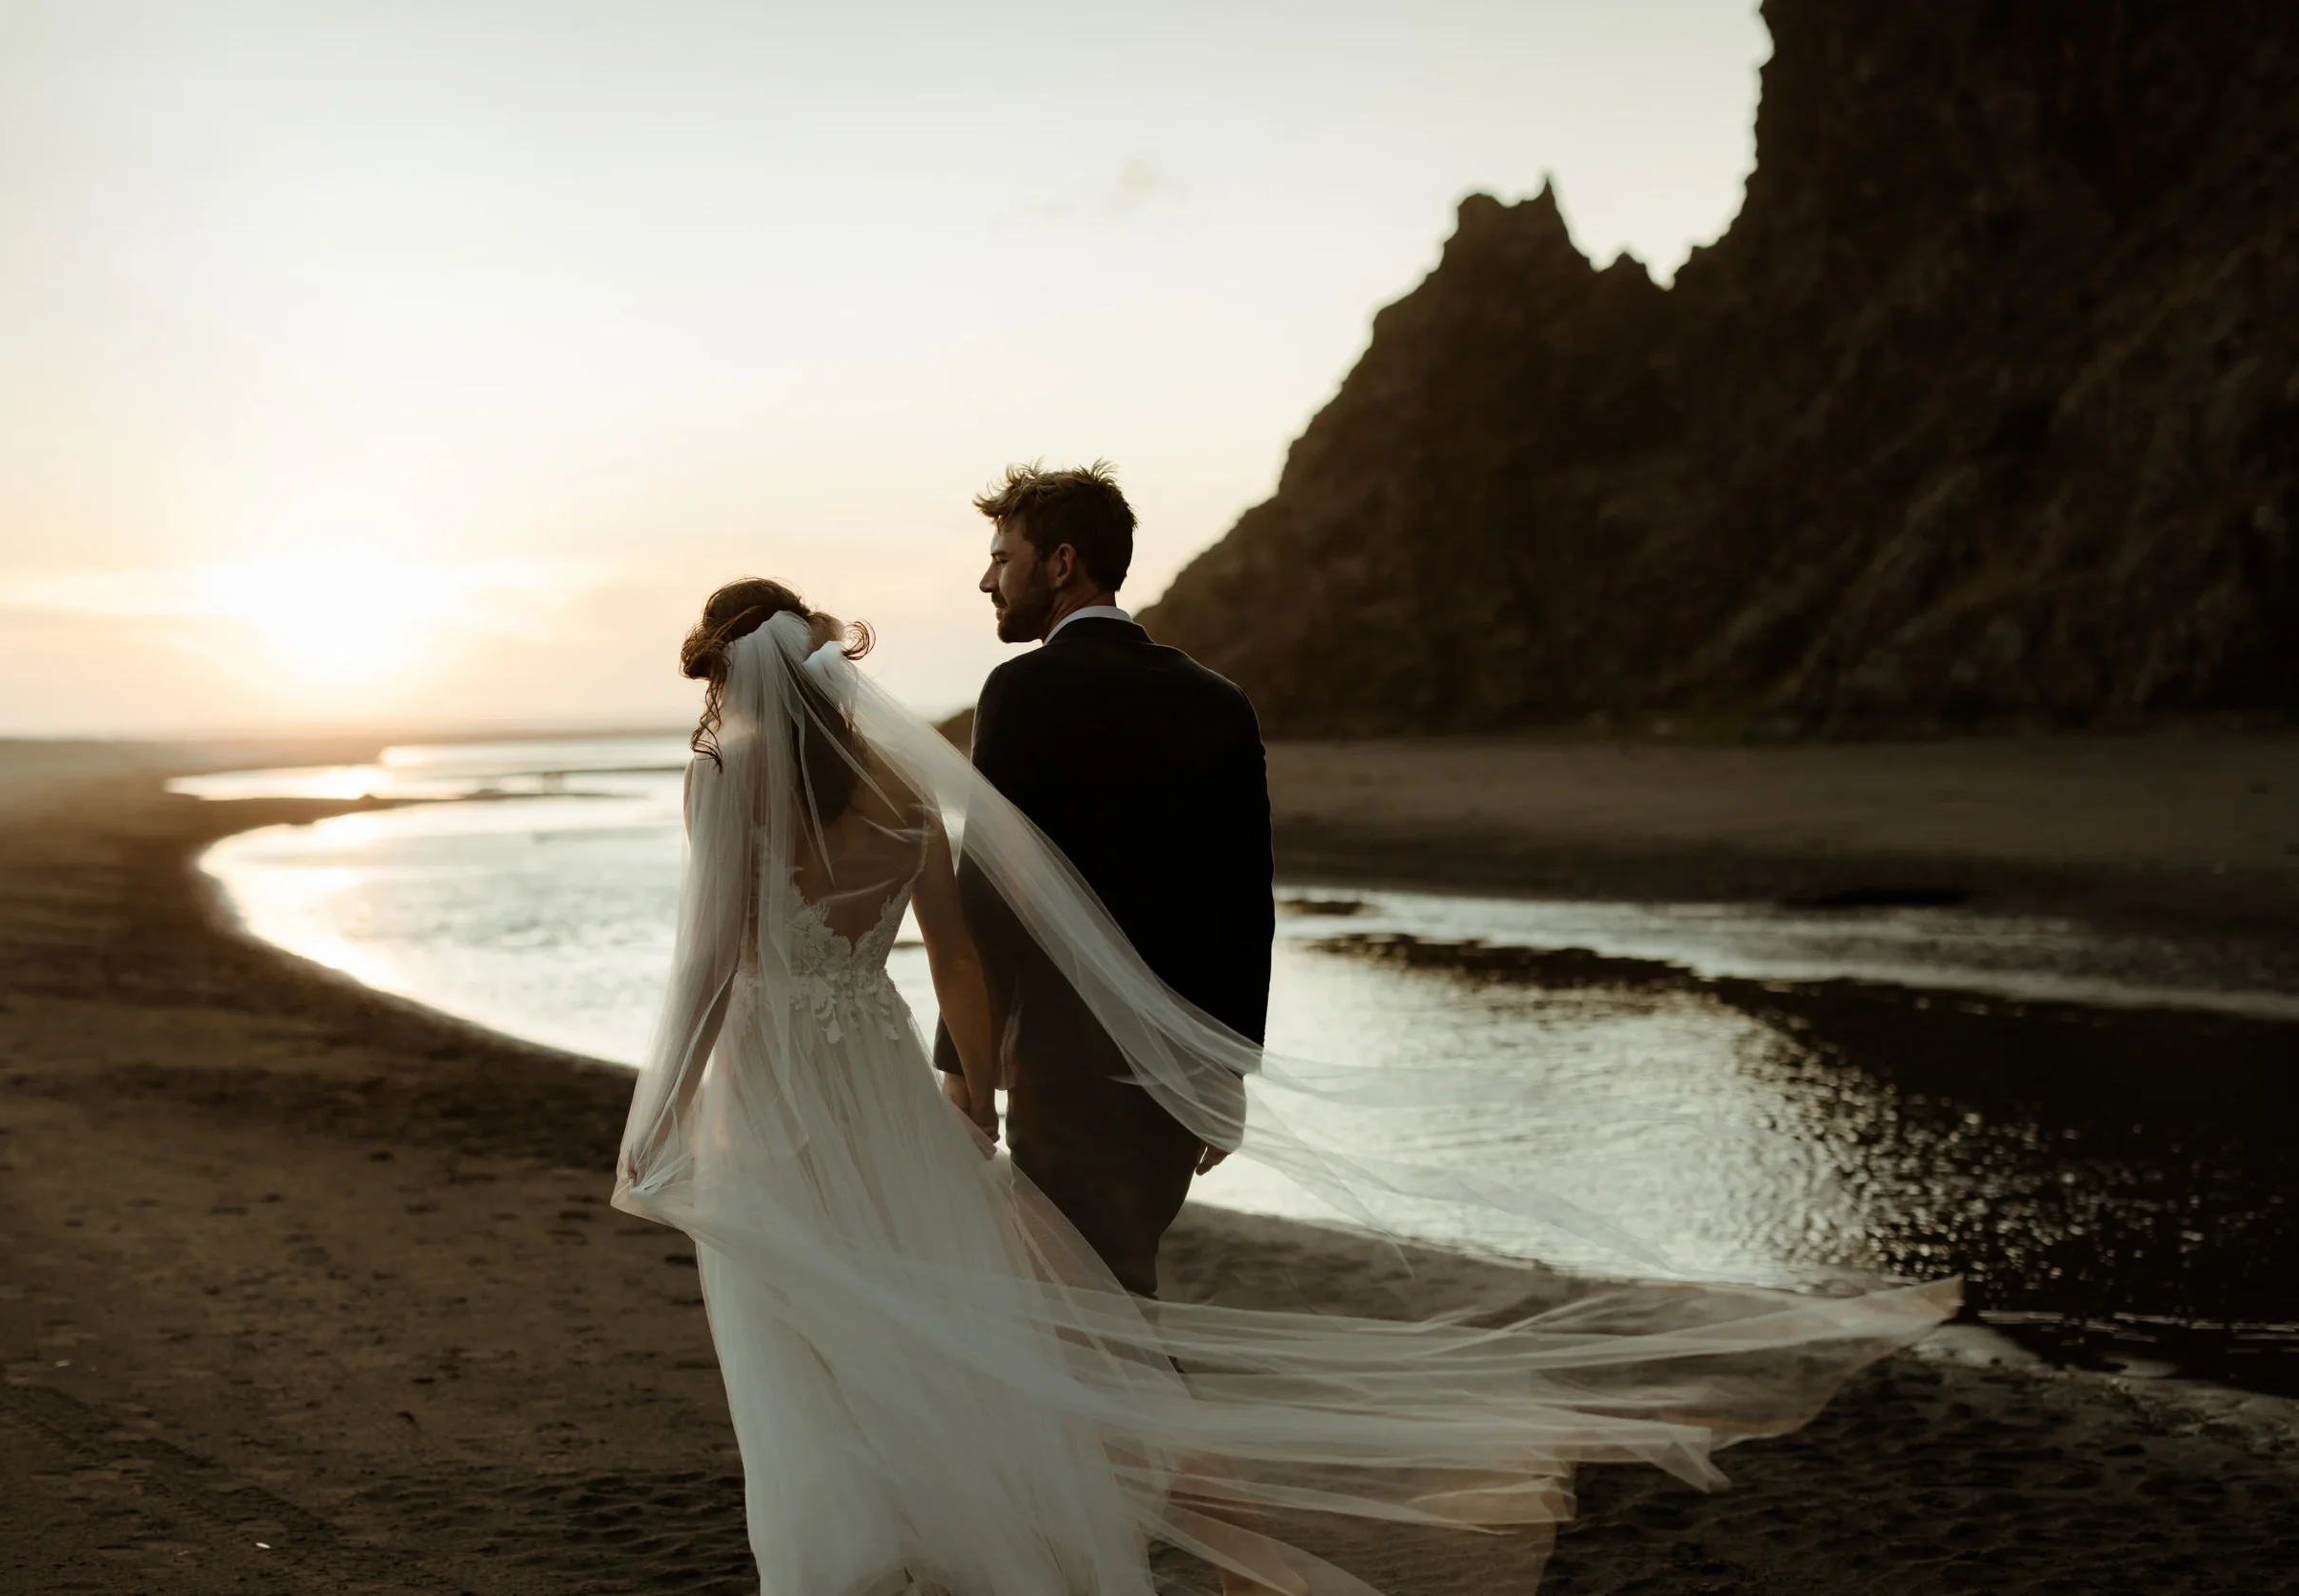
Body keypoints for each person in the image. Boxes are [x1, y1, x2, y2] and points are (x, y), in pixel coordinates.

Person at [613, 561, 1957, 1596]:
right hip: (897, 1091)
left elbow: (714, 974)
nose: (710, 711)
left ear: (734, 684)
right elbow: (967, 945)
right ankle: (969, 1539)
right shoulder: (908, 796)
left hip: (786, 1101)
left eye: (711, 688)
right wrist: (973, 1087)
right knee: (936, 1319)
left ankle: (864, 1557)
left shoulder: (725, 786)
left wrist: (660, 1125)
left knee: (817, 1333)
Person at [930, 463, 1271, 1299]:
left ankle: (1148, 1434)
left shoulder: (1021, 691)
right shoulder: (1218, 700)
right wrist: (1228, 1070)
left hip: (1062, 1062)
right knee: (1120, 1281)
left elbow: (988, 887)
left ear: (1061, 563)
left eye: (1002, 557)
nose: (987, 579)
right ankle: (1130, 1433)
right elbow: (1244, 899)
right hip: (1178, 1068)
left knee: (1084, 1299)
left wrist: (964, 1061)